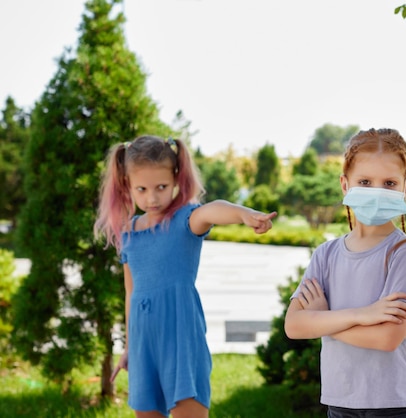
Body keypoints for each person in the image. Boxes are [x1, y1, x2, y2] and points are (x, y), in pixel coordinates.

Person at [93, 135, 276, 418]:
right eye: (141, 189)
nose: (151, 198)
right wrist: (129, 346)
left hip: (180, 337)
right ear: (127, 184)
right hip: (144, 342)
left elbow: (213, 209)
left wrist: (244, 214)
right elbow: (131, 292)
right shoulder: (128, 232)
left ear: (177, 178)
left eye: (161, 187)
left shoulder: (185, 220)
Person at [284, 128, 406, 417]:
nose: (377, 191)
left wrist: (323, 320)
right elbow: (295, 326)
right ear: (345, 184)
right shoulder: (326, 254)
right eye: (365, 182)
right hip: (340, 401)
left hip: (395, 404)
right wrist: (363, 315)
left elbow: (387, 339)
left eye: (389, 183)